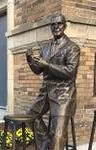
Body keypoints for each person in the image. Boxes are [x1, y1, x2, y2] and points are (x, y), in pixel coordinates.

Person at [26, 14, 80, 150]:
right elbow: (38, 70)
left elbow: (70, 72)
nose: (56, 27)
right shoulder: (45, 48)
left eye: (59, 23)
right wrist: (30, 60)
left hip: (63, 94)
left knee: (58, 134)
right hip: (46, 92)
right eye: (53, 24)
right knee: (30, 117)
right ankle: (44, 142)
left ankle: (53, 144)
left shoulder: (72, 47)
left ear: (65, 26)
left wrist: (48, 65)